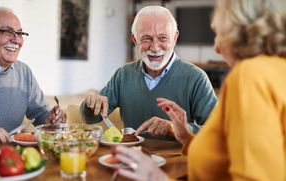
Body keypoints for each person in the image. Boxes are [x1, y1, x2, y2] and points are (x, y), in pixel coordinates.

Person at [113, 0, 286, 180]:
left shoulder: (249, 76)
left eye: (219, 33)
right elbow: (229, 155)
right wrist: (186, 136)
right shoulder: (277, 71)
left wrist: (156, 178)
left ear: (242, 33)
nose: (216, 48)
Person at [80, 6, 217, 140]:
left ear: (174, 38)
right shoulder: (123, 75)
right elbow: (92, 118)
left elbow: (217, 131)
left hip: (176, 159)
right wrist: (90, 104)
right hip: (131, 158)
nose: (155, 47)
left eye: (163, 38)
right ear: (135, 40)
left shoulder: (196, 78)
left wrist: (176, 128)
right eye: (146, 38)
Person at [0, 7, 66, 149]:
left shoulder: (24, 72)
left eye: (19, 33)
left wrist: (52, 120)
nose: (16, 40)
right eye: (7, 32)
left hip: (13, 161)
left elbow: (40, 115)